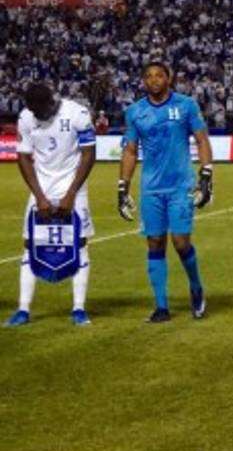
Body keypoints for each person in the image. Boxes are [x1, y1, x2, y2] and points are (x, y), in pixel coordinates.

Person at [118, 61, 213, 323]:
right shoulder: (135, 112)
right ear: (144, 81)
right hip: (151, 189)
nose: (154, 80)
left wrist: (206, 174)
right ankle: (161, 306)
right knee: (155, 243)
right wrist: (122, 186)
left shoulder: (186, 105)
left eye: (159, 75)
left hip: (181, 186)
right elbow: (130, 150)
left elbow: (202, 139)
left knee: (181, 243)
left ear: (168, 78)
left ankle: (196, 287)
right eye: (149, 76)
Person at [6, 83, 97, 327]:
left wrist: (71, 193)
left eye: (41, 110)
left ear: (51, 102)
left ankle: (79, 309)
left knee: (78, 243)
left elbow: (89, 154)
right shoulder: (26, 118)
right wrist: (39, 196)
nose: (37, 115)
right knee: (30, 244)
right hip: (42, 188)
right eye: (33, 111)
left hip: (73, 188)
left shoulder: (77, 113)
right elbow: (23, 157)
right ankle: (23, 310)